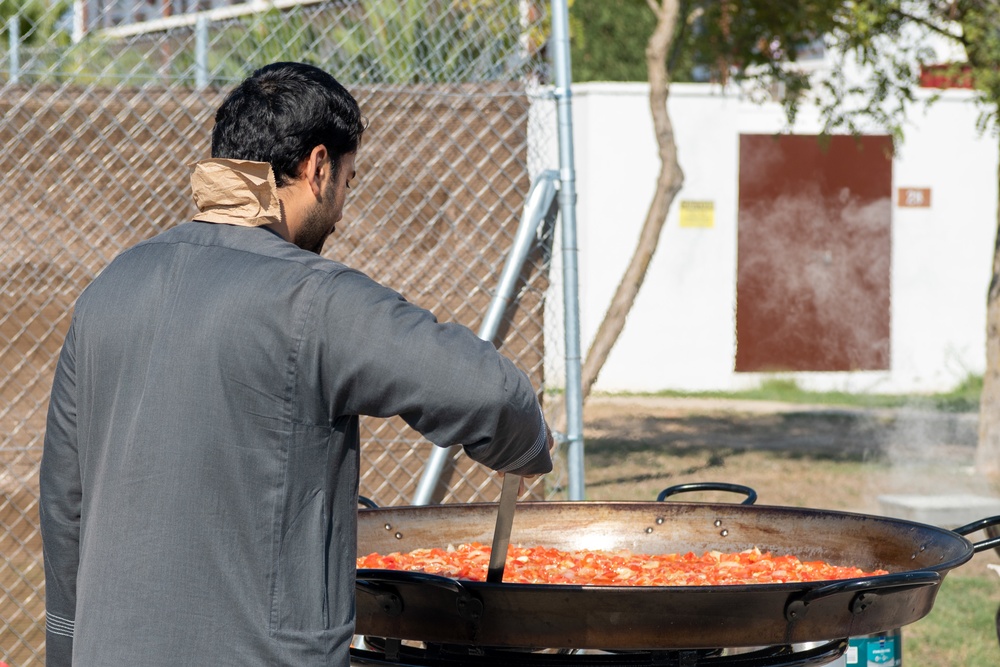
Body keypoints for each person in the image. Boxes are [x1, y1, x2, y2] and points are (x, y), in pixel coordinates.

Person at [39, 61, 553, 666]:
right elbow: (490, 394)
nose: (340, 208)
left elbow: (64, 501)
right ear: (317, 167)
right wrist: (527, 450)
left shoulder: (108, 288)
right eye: (347, 181)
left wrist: (67, 646)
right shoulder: (312, 298)